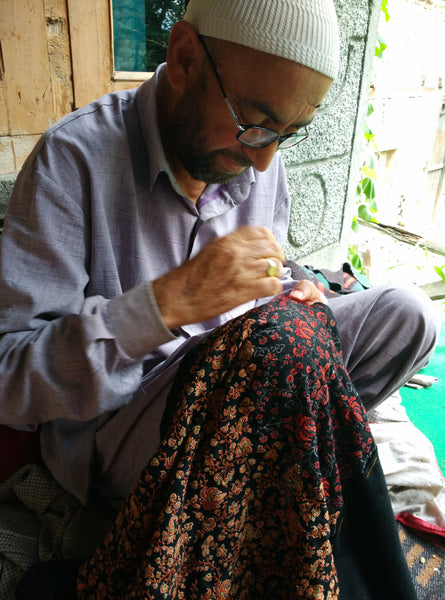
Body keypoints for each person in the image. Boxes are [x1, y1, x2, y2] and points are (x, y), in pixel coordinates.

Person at [0, 0, 439, 597]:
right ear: (183, 58)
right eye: (255, 123)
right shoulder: (70, 161)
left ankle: (283, 441)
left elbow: (260, 292)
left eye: (289, 133)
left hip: (249, 378)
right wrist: (162, 305)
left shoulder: (259, 157)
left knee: (407, 315)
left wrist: (292, 296)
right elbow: (10, 381)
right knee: (280, 351)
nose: (264, 159)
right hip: (126, 423)